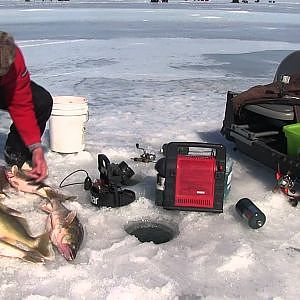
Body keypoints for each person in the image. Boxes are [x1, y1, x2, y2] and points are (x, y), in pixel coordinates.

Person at [0, 31, 53, 182]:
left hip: (5, 87)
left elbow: (22, 105)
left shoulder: (13, 59)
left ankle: (15, 153)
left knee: (41, 101)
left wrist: (35, 147)